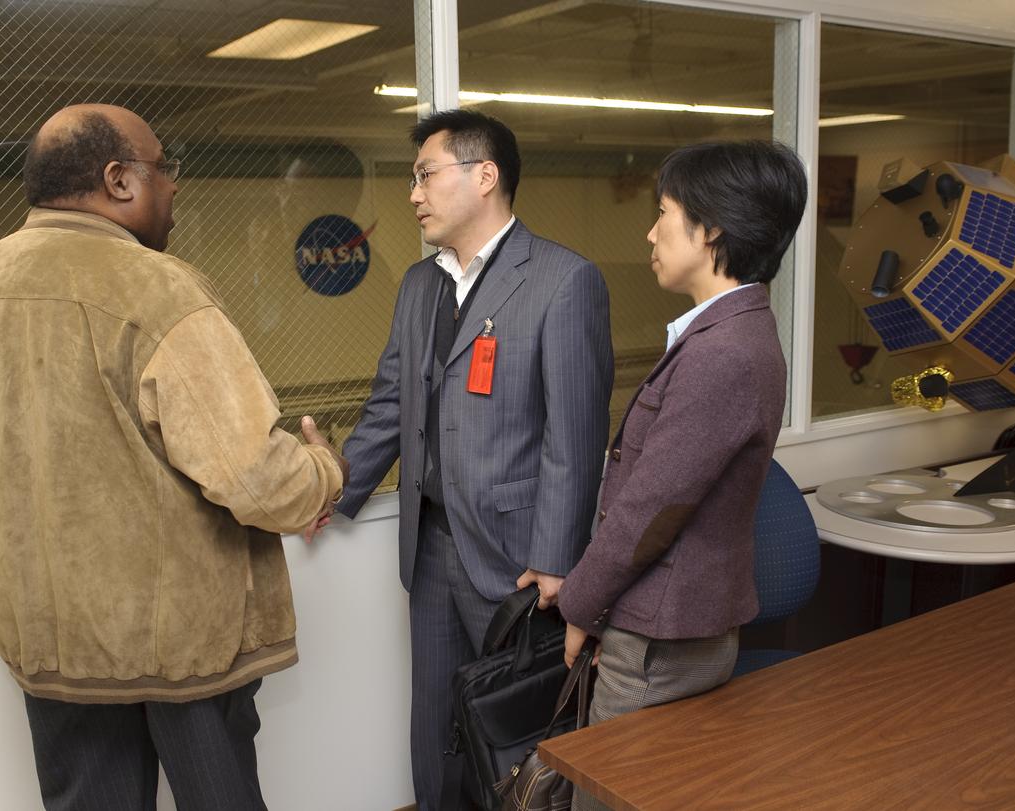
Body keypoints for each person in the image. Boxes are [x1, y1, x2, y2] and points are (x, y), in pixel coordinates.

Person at [0, 104, 347, 811]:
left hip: (51, 643)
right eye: (163, 167)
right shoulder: (159, 286)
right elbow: (258, 478)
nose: (174, 185)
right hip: (183, 648)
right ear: (119, 180)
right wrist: (325, 470)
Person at [330, 109, 613, 809]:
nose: (413, 194)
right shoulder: (419, 286)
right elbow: (391, 406)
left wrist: (557, 555)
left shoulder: (562, 280)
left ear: (484, 176)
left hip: (519, 558)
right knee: (435, 727)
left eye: (425, 175)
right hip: (431, 544)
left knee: (512, 731)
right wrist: (331, 488)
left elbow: (575, 435)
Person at [557, 140, 807, 811]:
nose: (651, 232)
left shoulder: (722, 353)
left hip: (659, 643)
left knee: (604, 799)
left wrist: (580, 604)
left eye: (664, 211)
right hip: (665, 625)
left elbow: (651, 511)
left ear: (712, 227)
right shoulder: (732, 332)